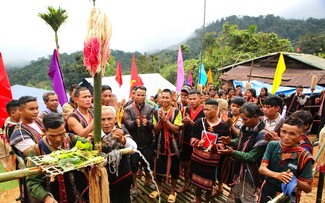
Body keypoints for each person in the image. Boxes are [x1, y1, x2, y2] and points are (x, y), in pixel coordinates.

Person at [26, 113, 90, 203]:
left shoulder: (73, 140)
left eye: (62, 134)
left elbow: (91, 146)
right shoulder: (36, 151)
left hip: (80, 197)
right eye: (53, 136)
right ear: (43, 131)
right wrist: (46, 197)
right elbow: (33, 182)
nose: (58, 139)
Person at [219, 102, 268, 203]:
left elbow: (252, 157)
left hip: (250, 172)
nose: (243, 121)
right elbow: (239, 140)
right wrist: (230, 141)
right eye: (242, 119)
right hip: (239, 168)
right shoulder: (245, 127)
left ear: (255, 117)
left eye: (245, 119)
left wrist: (233, 153)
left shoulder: (263, 134)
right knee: (237, 194)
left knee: (247, 197)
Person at [258, 117, 314, 203]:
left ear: (300, 137)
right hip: (267, 190)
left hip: (289, 196)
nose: (286, 137)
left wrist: (293, 180)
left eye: (292, 134)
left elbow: (308, 188)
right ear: (280, 131)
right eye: (284, 132)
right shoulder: (273, 145)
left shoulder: (304, 156)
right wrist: (277, 175)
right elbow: (262, 169)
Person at [190, 99, 230, 203]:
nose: (205, 112)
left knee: (210, 182)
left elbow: (223, 144)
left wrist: (214, 147)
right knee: (197, 181)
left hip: (212, 161)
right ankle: (197, 198)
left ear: (216, 110)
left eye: (208, 110)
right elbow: (192, 137)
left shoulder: (224, 126)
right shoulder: (200, 122)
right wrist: (198, 143)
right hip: (198, 158)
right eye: (204, 109)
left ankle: (207, 200)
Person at [150, 89, 182, 203]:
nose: (164, 100)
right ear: (159, 99)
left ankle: (173, 190)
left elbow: (177, 129)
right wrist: (161, 121)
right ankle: (159, 188)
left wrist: (166, 121)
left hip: (173, 146)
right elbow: (155, 130)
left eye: (167, 97)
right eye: (162, 97)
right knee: (158, 168)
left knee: (174, 169)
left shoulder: (177, 112)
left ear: (171, 98)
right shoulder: (155, 112)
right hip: (159, 145)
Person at [123, 86, 155, 197]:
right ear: (134, 95)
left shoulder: (151, 108)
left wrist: (148, 124)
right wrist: (135, 124)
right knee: (133, 166)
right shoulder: (128, 109)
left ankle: (147, 181)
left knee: (148, 164)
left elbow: (153, 124)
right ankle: (135, 186)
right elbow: (127, 124)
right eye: (138, 95)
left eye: (143, 95)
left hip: (147, 142)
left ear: (145, 96)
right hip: (134, 143)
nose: (140, 97)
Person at [101, 106, 137, 203]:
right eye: (102, 119)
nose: (106, 123)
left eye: (109, 119)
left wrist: (123, 140)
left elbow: (134, 147)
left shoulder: (121, 130)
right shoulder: (94, 135)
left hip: (123, 177)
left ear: (115, 119)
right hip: (103, 180)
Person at [177, 90, 205, 193]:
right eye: (190, 99)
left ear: (200, 99)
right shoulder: (185, 109)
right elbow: (179, 126)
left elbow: (205, 130)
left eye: (194, 99)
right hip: (186, 141)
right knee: (186, 164)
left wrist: (191, 122)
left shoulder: (204, 111)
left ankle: (197, 186)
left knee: (198, 164)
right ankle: (186, 183)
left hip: (199, 142)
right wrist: (183, 123)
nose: (192, 101)